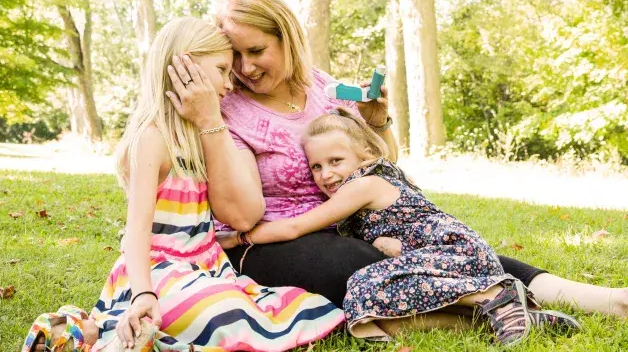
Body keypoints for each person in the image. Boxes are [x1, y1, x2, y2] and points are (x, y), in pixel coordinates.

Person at [163, 0, 627, 332]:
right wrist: (209, 122)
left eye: (256, 50)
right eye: (235, 56)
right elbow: (242, 216)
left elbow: (380, 164)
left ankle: (609, 300)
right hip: (274, 240)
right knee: (363, 262)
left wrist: (378, 123)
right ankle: (495, 312)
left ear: (287, 39)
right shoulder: (225, 109)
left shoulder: (325, 87)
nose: (244, 68)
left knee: (453, 253)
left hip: (355, 225)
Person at [21, 17, 344, 352]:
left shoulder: (200, 135)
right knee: (220, 311)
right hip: (157, 270)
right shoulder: (152, 138)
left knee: (285, 303)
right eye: (221, 69)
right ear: (184, 65)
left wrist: (228, 239)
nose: (230, 82)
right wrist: (144, 292)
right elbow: (136, 231)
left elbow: (214, 216)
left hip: (207, 266)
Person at [220, 107, 584, 345]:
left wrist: (236, 238)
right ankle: (511, 318)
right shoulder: (370, 181)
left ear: (364, 156)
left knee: (364, 284)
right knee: (376, 317)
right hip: (433, 257)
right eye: (316, 167)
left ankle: (494, 296)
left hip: (452, 252)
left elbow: (294, 229)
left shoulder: (362, 185)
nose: (326, 174)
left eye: (335, 161)